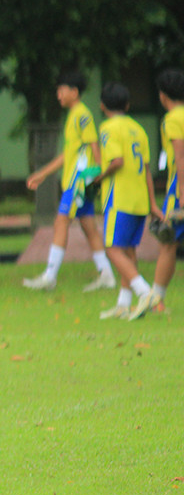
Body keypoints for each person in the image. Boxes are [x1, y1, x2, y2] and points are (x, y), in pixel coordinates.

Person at [24, 71, 116, 292]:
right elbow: (69, 154)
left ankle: (50, 276)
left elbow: (94, 144)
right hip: (78, 180)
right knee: (88, 226)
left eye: (61, 90)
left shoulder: (82, 115)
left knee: (61, 222)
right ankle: (107, 275)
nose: (58, 95)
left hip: (80, 181)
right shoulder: (73, 115)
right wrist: (43, 173)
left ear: (74, 92)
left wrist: (100, 174)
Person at [91, 82, 158, 319]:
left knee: (112, 248)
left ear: (102, 105)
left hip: (119, 197)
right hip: (139, 197)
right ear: (128, 105)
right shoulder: (138, 128)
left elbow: (116, 161)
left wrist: (99, 177)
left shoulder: (108, 127)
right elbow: (147, 168)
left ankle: (145, 291)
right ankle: (124, 303)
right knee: (128, 250)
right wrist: (152, 203)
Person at [128, 68, 184, 320]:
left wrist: (182, 193)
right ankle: (156, 296)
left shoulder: (173, 118)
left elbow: (181, 157)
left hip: (179, 184)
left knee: (168, 241)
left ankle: (155, 297)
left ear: (163, 95)